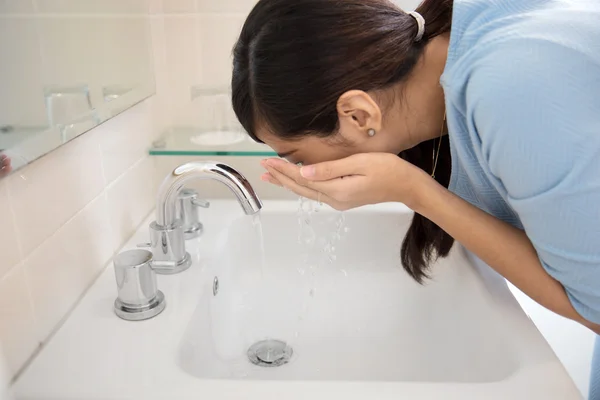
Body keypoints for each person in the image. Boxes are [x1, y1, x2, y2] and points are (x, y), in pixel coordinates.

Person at [231, 0, 600, 397]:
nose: (301, 172)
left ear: (357, 115)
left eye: (299, 158)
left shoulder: (508, 91)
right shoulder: (453, 42)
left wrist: (414, 190)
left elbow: (594, 308)